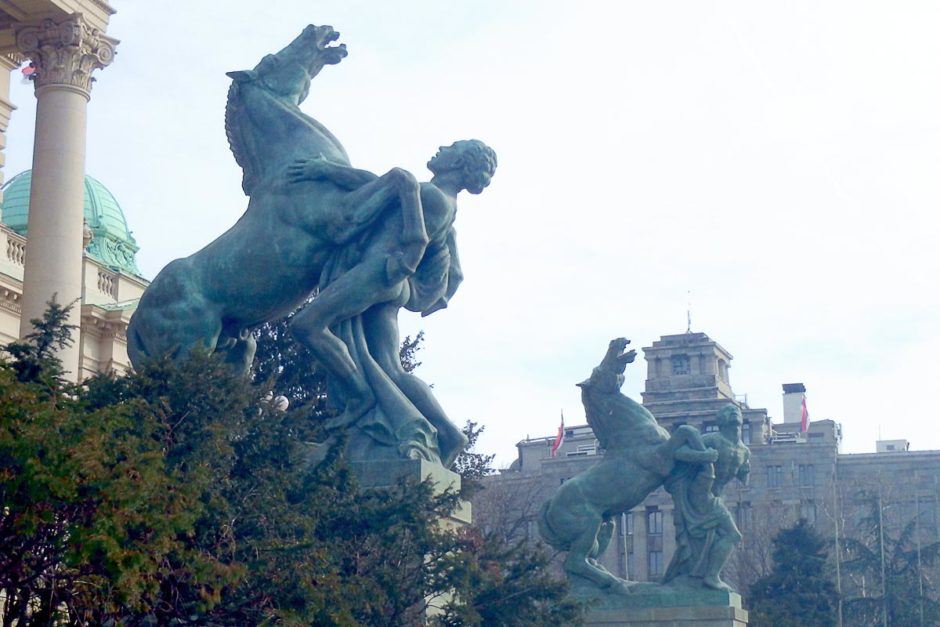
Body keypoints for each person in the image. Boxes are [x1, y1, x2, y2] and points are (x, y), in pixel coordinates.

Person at [286, 140, 497, 464]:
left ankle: (358, 396)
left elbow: (415, 234)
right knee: (391, 368)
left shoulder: (431, 196)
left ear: (459, 162)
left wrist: (400, 264)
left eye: (451, 147)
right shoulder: (441, 200)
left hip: (380, 272)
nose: (441, 147)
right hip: (392, 280)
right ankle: (448, 432)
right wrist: (328, 170)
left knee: (307, 325)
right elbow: (378, 186)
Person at [664, 403, 750, 591]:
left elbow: (744, 477)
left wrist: (745, 472)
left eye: (736, 410)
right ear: (720, 421)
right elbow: (679, 452)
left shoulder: (745, 451)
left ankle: (698, 574)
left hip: (716, 495)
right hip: (699, 492)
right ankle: (711, 577)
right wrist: (702, 456)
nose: (734, 411)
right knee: (732, 534)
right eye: (728, 411)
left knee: (716, 538)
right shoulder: (712, 439)